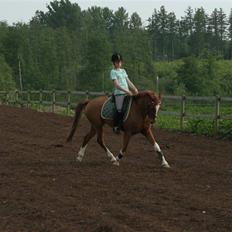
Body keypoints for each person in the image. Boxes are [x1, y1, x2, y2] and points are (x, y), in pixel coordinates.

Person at [110, 53, 138, 134]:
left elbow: (128, 81)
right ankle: (116, 126)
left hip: (127, 93)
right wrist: (126, 91)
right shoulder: (113, 72)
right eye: (117, 62)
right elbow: (116, 85)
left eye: (120, 61)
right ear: (113, 63)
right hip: (119, 93)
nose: (119, 63)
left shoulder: (123, 71)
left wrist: (135, 89)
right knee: (120, 109)